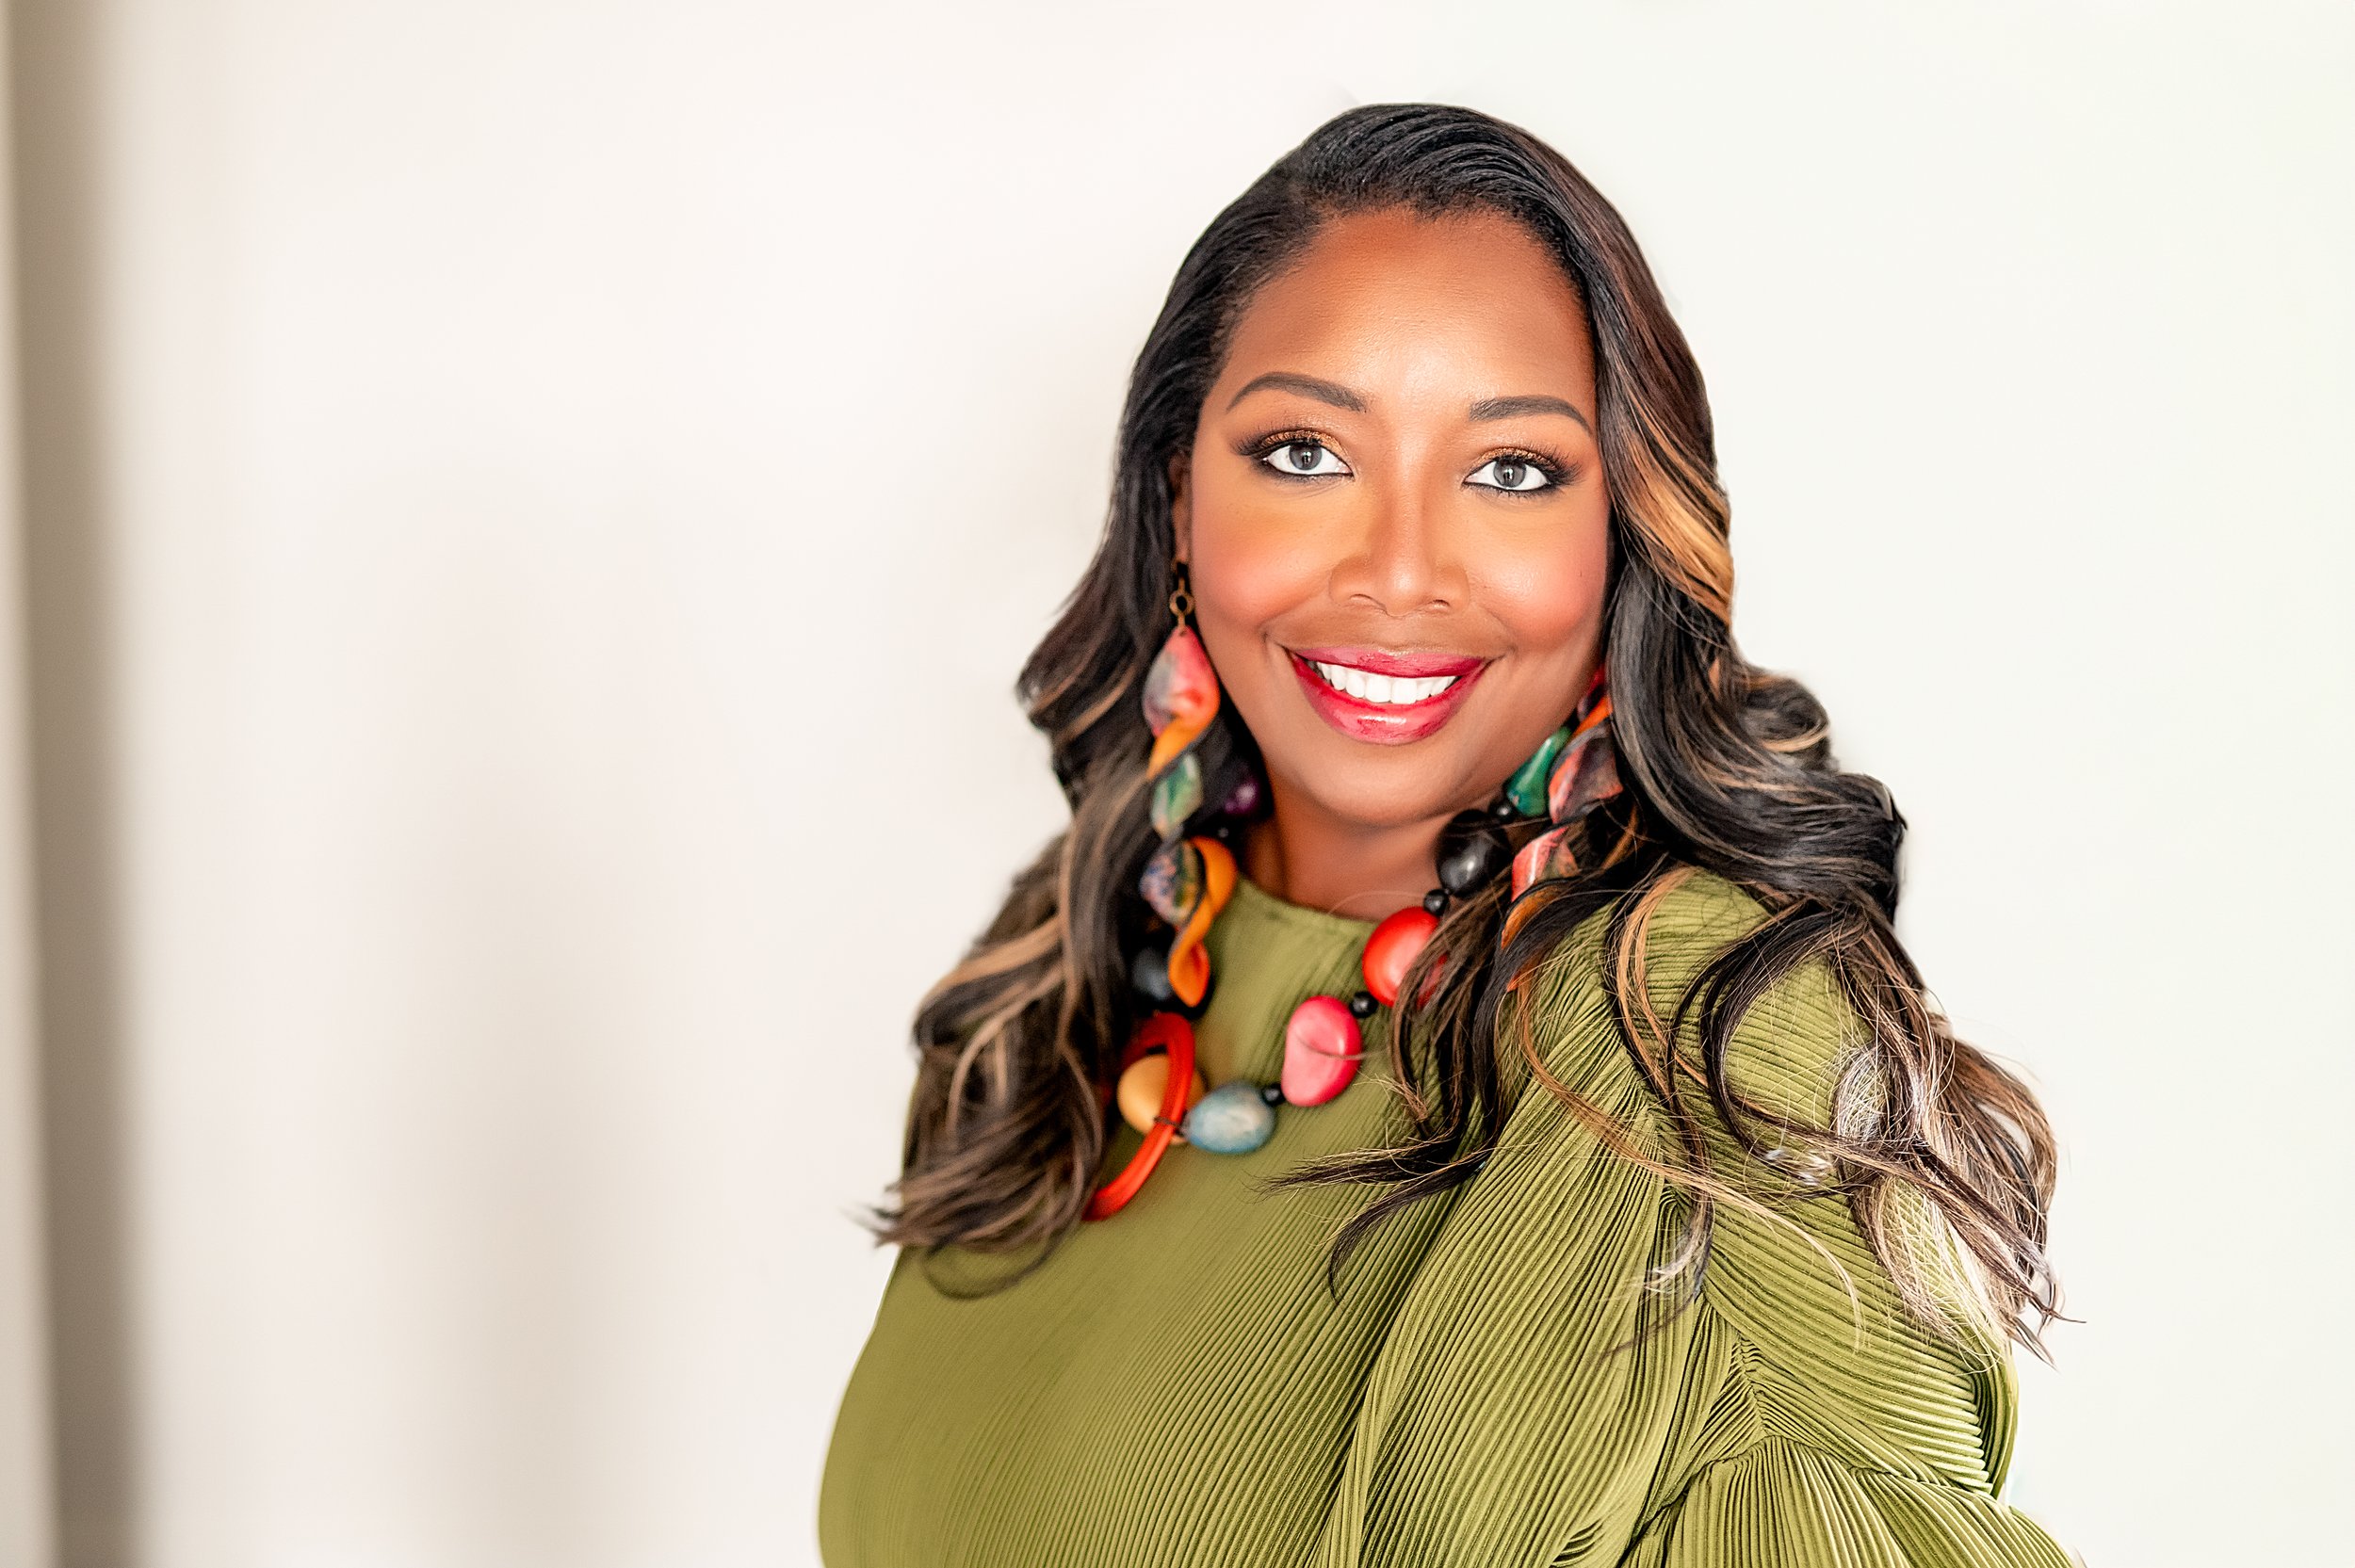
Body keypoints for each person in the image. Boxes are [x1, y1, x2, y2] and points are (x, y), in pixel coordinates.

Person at [817, 103, 2070, 1567]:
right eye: (1304, 451)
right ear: (1176, 498)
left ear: (1625, 538)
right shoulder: (1067, 974)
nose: (1402, 571)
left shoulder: (1707, 1060)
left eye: (1513, 471)